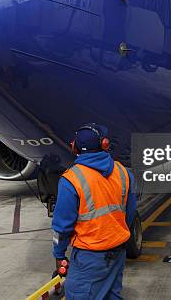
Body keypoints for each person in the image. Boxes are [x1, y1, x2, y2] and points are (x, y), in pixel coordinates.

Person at [52, 124, 136, 300]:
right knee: (112, 294)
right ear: (105, 144)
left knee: (78, 294)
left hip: (89, 256)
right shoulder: (123, 172)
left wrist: (59, 254)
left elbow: (62, 226)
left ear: (74, 147)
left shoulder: (71, 179)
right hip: (118, 251)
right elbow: (130, 213)